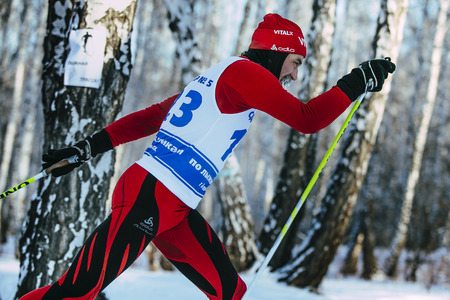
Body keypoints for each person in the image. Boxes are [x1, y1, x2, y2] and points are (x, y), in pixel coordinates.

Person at [20, 13, 395, 300]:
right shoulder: (245, 73)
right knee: (74, 291)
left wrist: (88, 147)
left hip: (174, 209)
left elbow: (154, 115)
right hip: (148, 197)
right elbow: (307, 118)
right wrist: (357, 80)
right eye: (295, 62)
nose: (295, 75)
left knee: (230, 292)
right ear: (277, 51)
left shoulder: (223, 77)